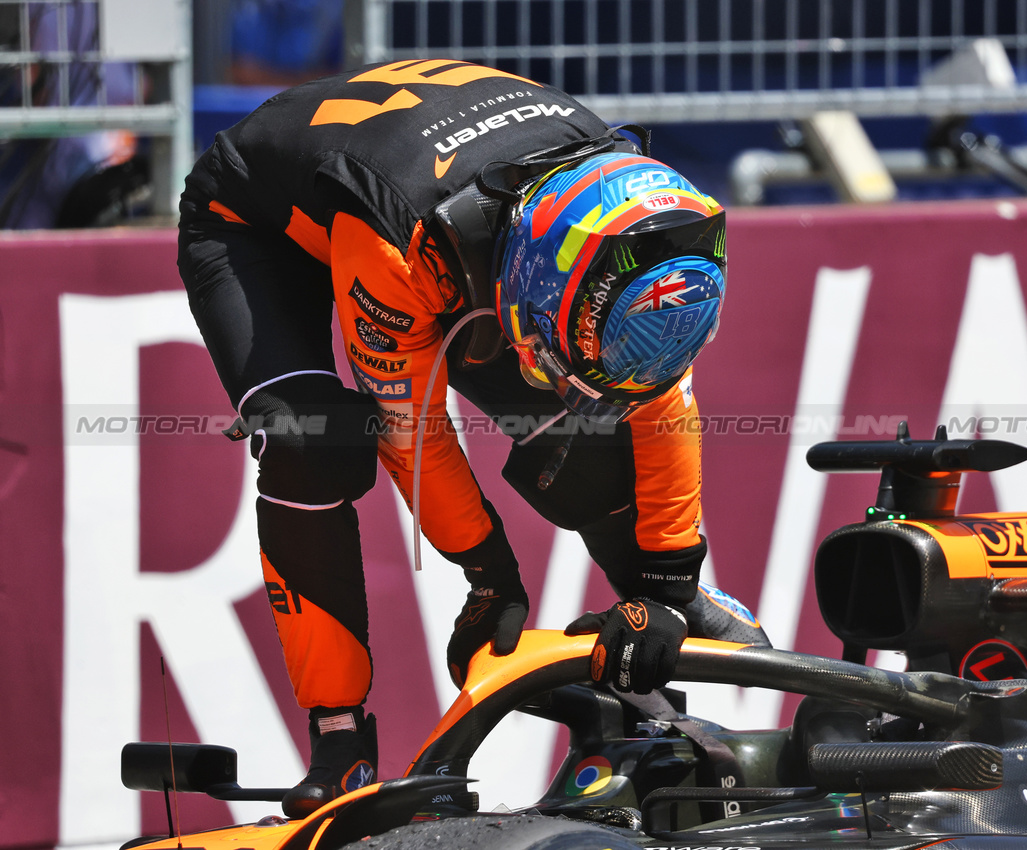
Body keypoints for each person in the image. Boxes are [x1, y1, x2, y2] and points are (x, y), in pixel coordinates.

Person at [176, 58, 768, 818]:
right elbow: (409, 431)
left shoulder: (638, 226)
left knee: (593, 432)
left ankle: (649, 700)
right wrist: (489, 574)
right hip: (263, 223)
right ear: (528, 283)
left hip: (472, 198)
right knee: (312, 441)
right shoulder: (402, 247)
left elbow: (655, 396)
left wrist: (667, 586)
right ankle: (340, 742)